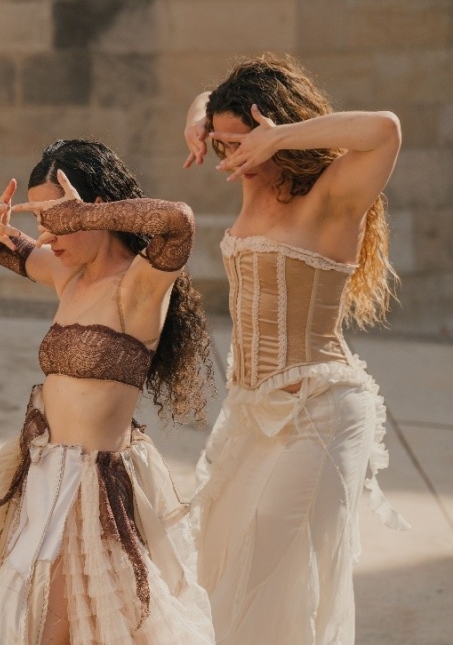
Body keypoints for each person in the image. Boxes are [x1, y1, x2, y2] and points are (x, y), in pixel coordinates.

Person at [0, 139, 216, 644]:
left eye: (59, 219)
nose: (48, 235)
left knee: (62, 629)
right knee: (13, 620)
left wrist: (84, 215)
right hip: (40, 476)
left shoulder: (139, 286)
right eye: (43, 221)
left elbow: (179, 222)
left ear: (95, 207)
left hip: (94, 491)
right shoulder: (67, 274)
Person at [182, 53, 410, 644]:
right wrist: (198, 119)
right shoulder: (252, 180)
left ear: (276, 130)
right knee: (219, 560)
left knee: (271, 562)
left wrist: (279, 136)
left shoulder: (333, 197)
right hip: (250, 414)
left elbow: (385, 129)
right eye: (222, 145)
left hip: (321, 410)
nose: (231, 158)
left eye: (241, 144)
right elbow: (208, 97)